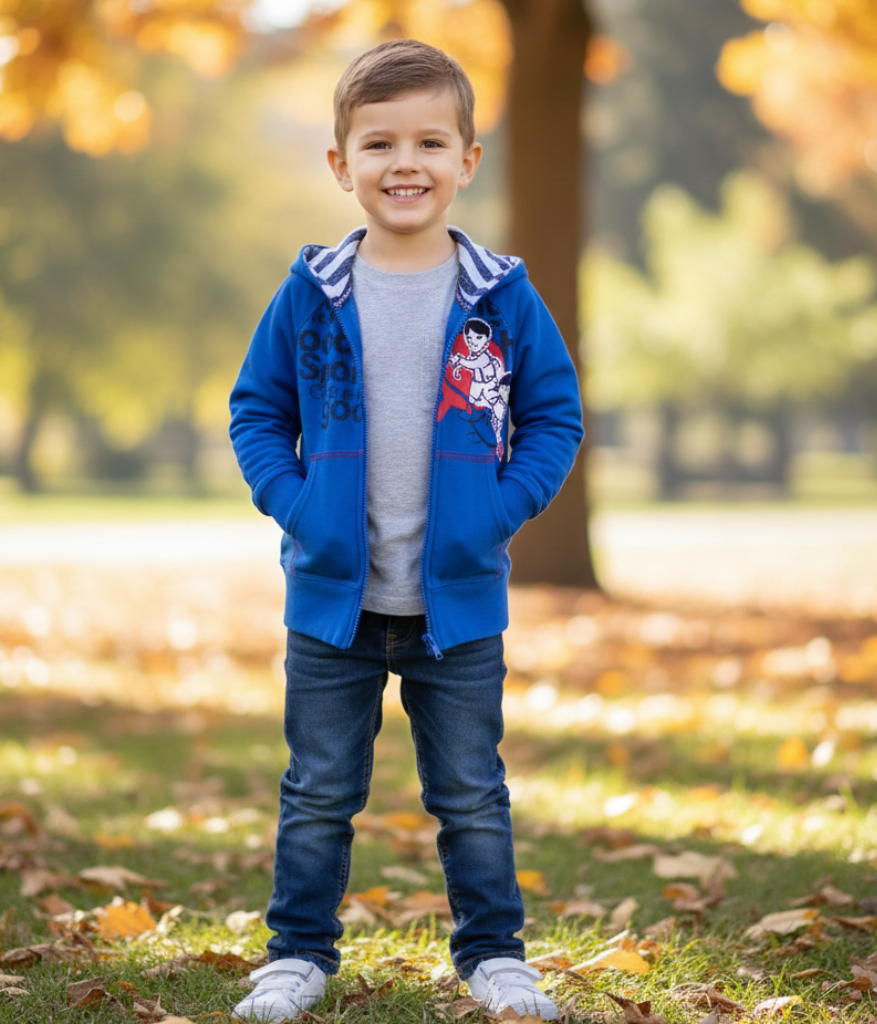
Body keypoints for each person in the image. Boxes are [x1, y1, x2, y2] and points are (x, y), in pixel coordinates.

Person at [228, 38, 583, 1023]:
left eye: (431, 140)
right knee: (318, 790)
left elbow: (554, 414)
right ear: (341, 165)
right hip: (333, 603)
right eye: (378, 143)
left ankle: (494, 954)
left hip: (454, 606)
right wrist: (296, 504)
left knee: (469, 792)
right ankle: (297, 953)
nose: (405, 163)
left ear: (469, 159)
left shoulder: (500, 297)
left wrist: (500, 509)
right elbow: (255, 410)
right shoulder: (311, 292)